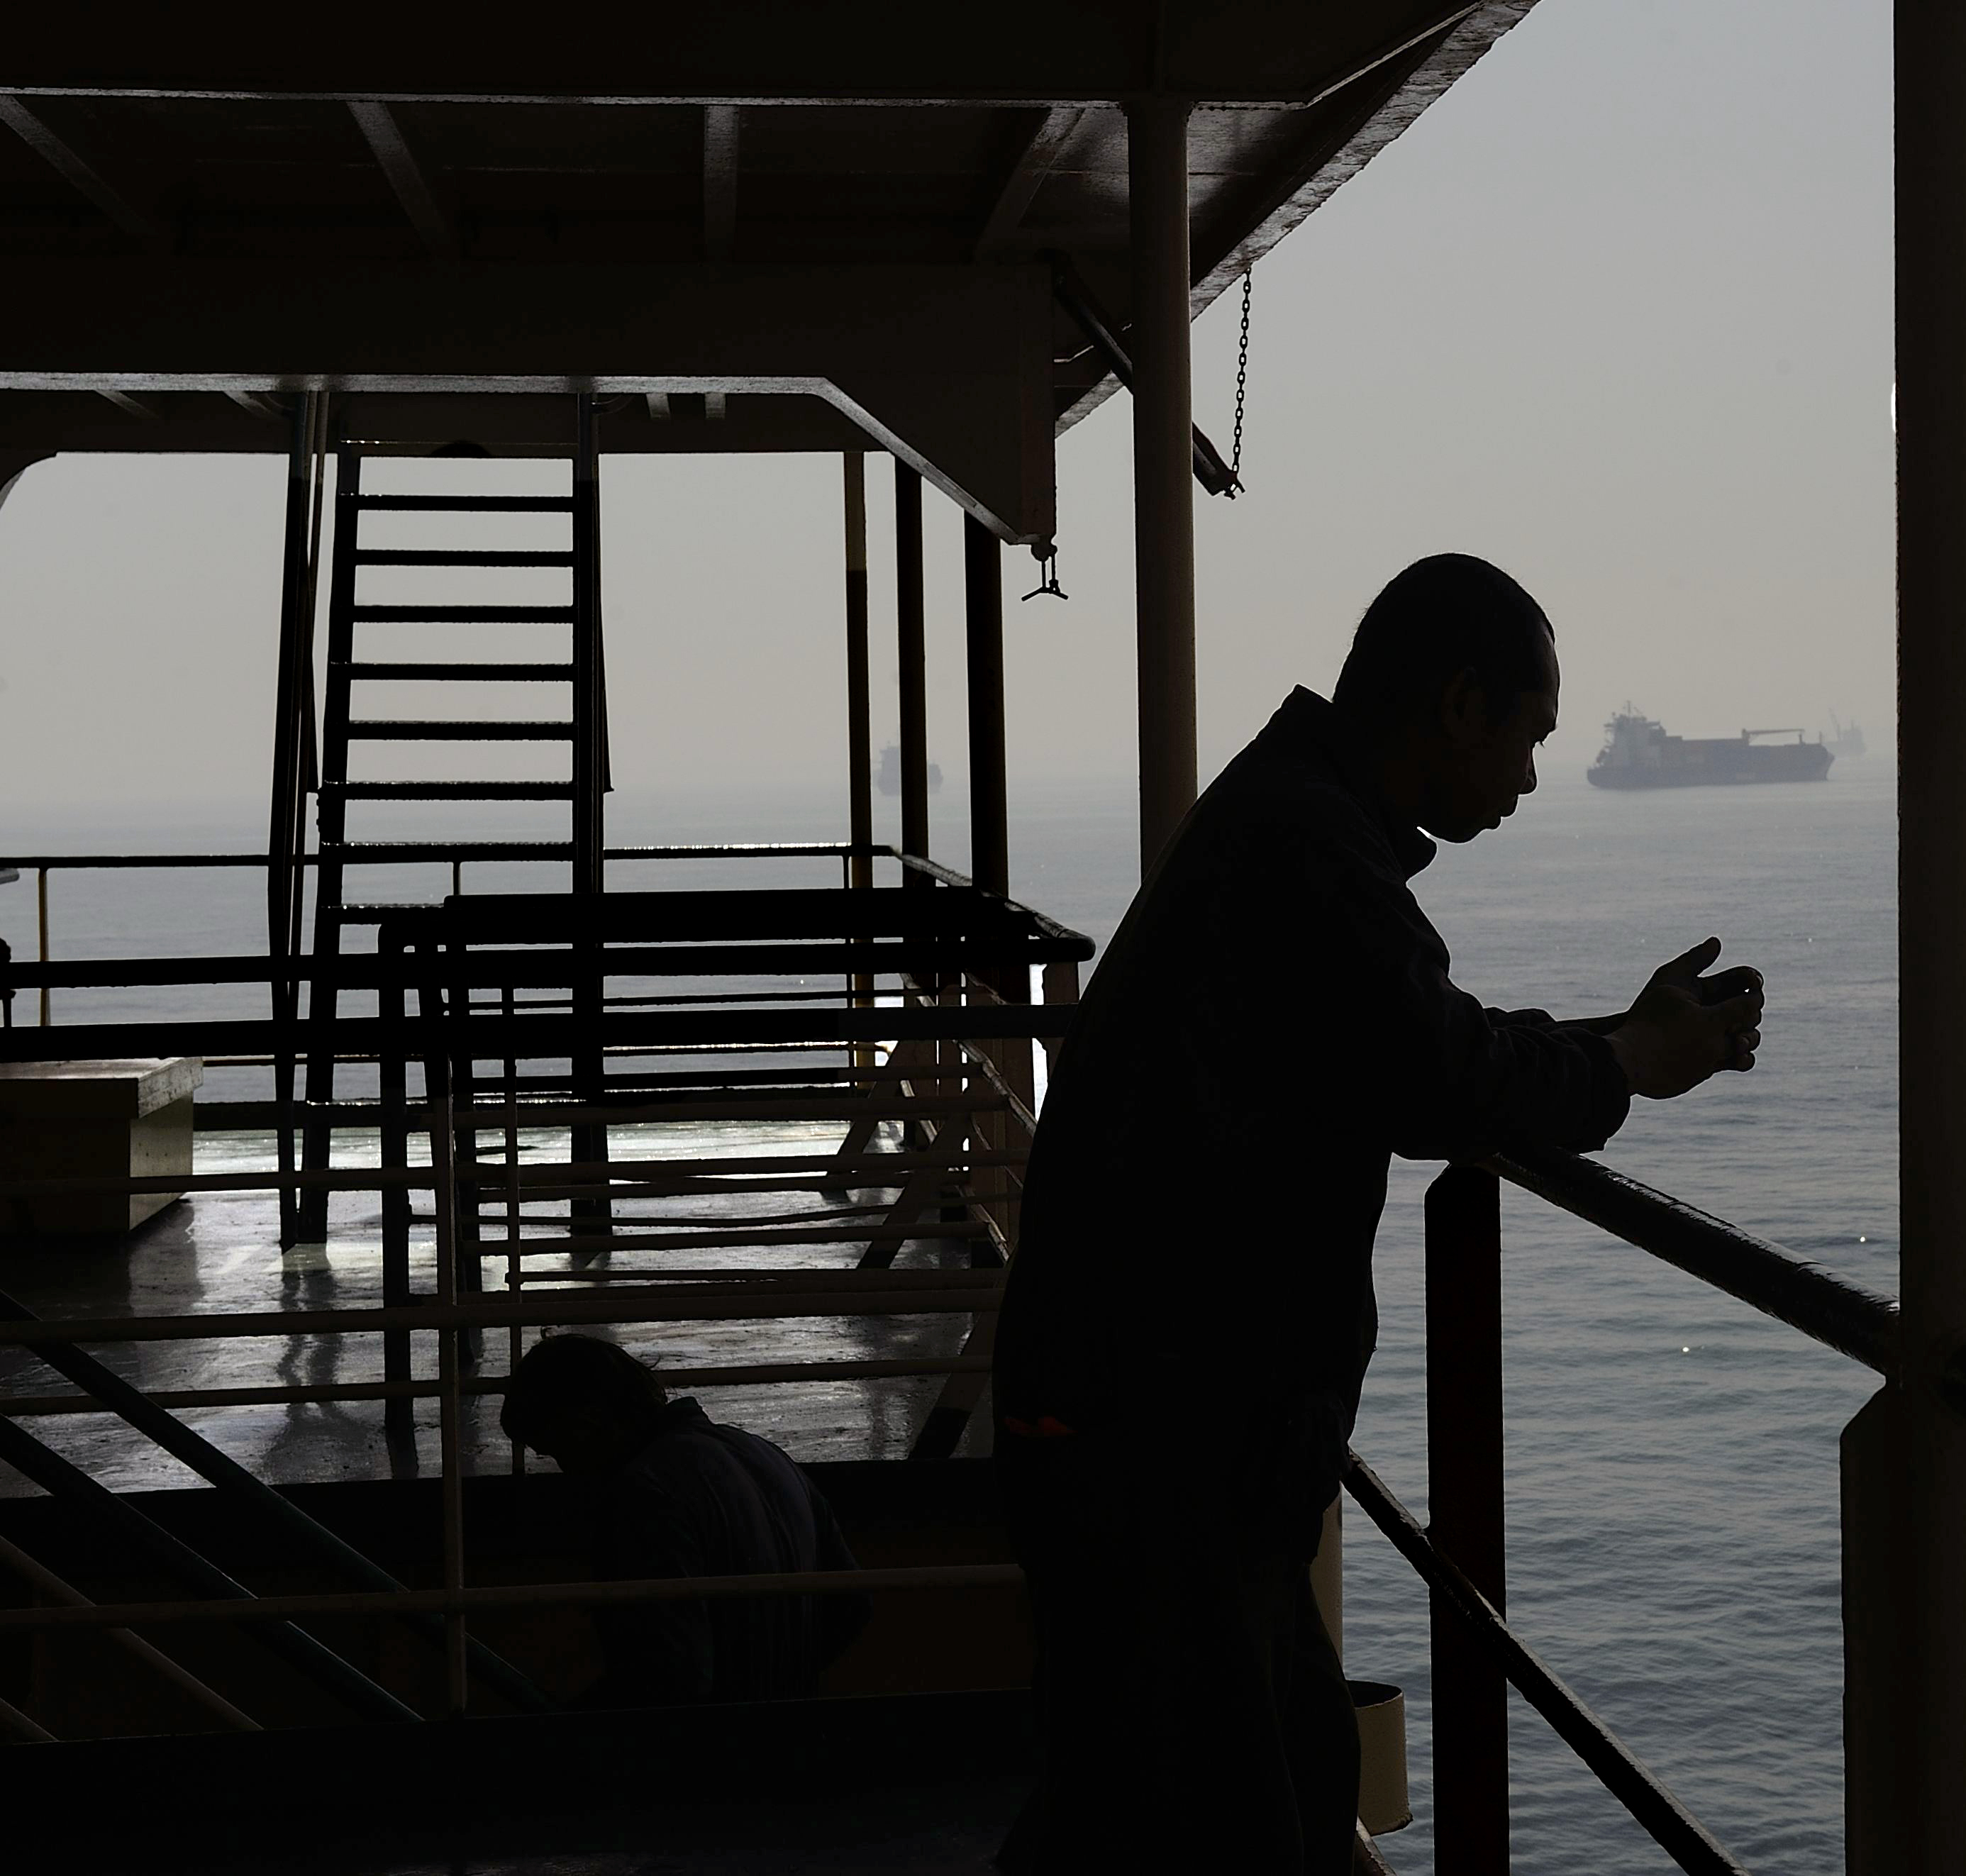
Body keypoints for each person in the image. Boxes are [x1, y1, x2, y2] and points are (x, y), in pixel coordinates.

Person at [991, 553, 1765, 1873]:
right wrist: (1628, 1061)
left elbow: (1389, 1046)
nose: (1528, 777)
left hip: (1146, 1413)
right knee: (1222, 1810)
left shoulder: (1289, 818)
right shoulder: (1309, 848)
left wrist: (1615, 1039)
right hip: (1167, 1431)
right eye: (1526, 736)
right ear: (1461, 704)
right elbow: (1433, 1071)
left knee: (1182, 1796)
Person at [499, 1334, 870, 1706]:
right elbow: (852, 1606)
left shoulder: (642, 1495)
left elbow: (670, 1677)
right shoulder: (765, 1454)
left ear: (588, 1420)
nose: (568, 1471)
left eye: (559, 1450)